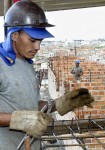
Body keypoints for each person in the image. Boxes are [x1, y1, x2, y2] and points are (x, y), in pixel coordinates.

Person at [0, 1, 94, 150]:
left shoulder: (26, 64)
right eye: (32, 40)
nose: (37, 47)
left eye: (40, 41)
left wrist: (61, 103)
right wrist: (19, 119)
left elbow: (30, 106)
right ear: (15, 35)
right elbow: (24, 116)